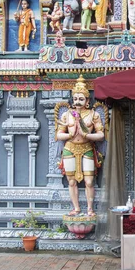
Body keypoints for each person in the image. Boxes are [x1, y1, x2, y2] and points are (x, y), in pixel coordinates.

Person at [56, 76, 105, 216]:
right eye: (75, 99)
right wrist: (70, 136)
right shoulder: (67, 115)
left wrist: (88, 136)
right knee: (71, 181)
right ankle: (76, 208)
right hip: (70, 148)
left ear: (87, 101)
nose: (78, 101)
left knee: (89, 181)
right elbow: (59, 135)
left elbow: (101, 135)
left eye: (81, 99)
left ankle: (90, 209)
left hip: (87, 148)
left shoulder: (93, 114)